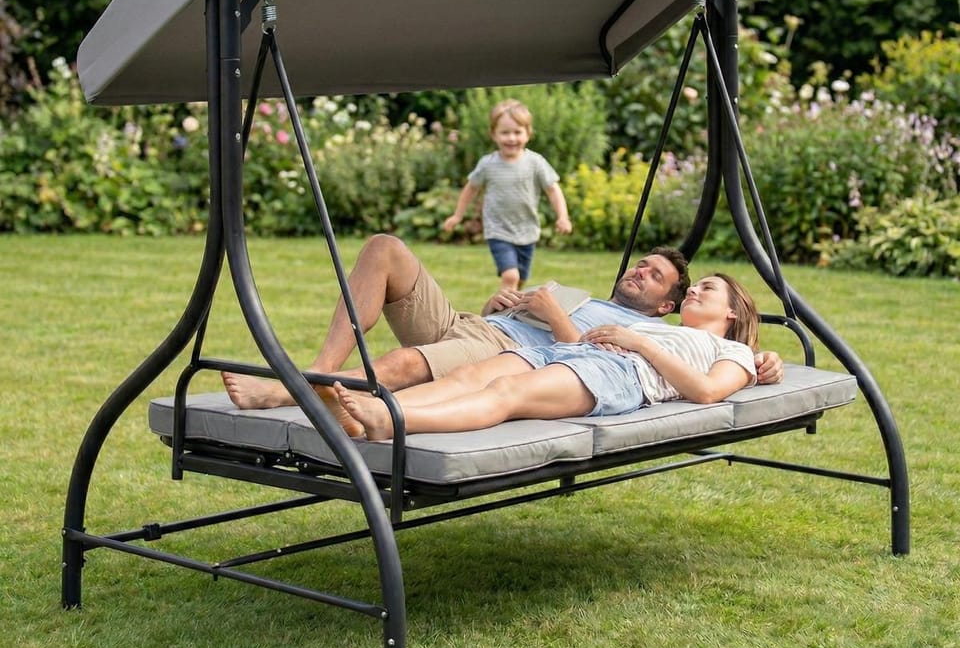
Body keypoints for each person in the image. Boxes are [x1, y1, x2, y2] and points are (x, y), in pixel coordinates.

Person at [221, 236, 785, 433]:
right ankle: (320, 372)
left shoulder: (648, 332)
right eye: (640, 264)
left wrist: (764, 361)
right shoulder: (592, 300)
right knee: (385, 250)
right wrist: (506, 306)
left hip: (512, 349)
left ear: (667, 306)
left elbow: (578, 353)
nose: (639, 271)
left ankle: (286, 389)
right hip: (480, 325)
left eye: (654, 276)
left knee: (406, 364)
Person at [333, 273, 759, 440]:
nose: (694, 290)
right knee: (466, 377)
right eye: (695, 286)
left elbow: (706, 391)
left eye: (707, 288)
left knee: (506, 391)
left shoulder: (732, 350)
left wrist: (639, 344)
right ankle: (376, 409)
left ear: (732, 312)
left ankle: (392, 421)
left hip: (620, 375)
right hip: (571, 351)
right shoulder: (664, 327)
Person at [442, 98, 572, 289]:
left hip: (527, 231)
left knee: (520, 281)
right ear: (493, 134)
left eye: (517, 132)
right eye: (505, 133)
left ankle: (511, 304)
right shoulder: (488, 164)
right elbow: (471, 188)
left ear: (528, 133)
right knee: (510, 276)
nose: (511, 138)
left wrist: (563, 217)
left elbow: (552, 189)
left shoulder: (535, 162)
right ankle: (501, 308)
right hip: (498, 230)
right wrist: (457, 216)